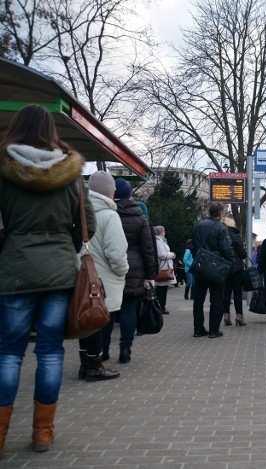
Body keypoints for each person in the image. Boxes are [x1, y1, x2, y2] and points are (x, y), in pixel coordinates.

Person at [0, 104, 95, 454]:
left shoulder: (3, 168)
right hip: (58, 272)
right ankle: (42, 432)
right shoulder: (69, 172)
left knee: (9, 352)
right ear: (50, 130)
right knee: (51, 352)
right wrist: (62, 246)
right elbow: (87, 224)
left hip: (14, 270)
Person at [77, 171, 129, 382]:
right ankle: (95, 366)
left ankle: (84, 364)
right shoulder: (109, 215)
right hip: (103, 279)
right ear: (109, 190)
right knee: (98, 320)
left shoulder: (80, 212)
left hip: (81, 274)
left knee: (84, 320)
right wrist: (123, 270)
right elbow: (116, 252)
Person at [102, 178, 156, 364]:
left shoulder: (106, 214)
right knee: (129, 308)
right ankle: (125, 348)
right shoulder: (140, 217)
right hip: (135, 267)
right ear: (130, 195)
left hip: (109, 266)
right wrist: (150, 275)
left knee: (108, 310)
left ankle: (103, 349)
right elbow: (148, 248)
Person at [191, 201, 235, 338]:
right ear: (221, 213)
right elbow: (226, 249)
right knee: (216, 299)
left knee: (198, 300)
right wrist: (231, 261)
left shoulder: (198, 226)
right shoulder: (221, 228)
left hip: (200, 267)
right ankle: (214, 330)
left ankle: (198, 329)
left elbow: (193, 246)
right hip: (216, 269)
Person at [223, 225, 248, 326]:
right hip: (237, 268)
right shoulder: (236, 238)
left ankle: (226, 316)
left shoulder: (222, 237)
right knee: (237, 293)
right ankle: (239, 316)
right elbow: (243, 254)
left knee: (226, 293)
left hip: (225, 268)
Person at [154, 225, 176, 315]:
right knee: (161, 289)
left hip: (165, 267)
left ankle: (162, 306)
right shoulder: (158, 241)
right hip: (162, 268)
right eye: (163, 231)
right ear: (159, 232)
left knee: (163, 288)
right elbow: (161, 255)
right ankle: (160, 306)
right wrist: (172, 255)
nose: (164, 232)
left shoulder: (162, 240)